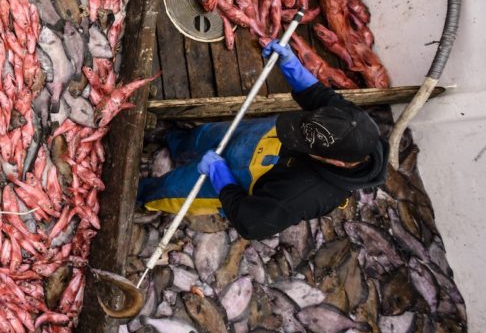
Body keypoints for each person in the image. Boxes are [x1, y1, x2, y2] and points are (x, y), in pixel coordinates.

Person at [136, 39, 387, 240]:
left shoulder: (307, 194)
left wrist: (220, 176)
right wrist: (292, 66)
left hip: (244, 178)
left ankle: (141, 195)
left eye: (306, 142)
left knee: (173, 190)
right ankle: (173, 139)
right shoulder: (354, 122)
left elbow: (251, 223)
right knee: (203, 135)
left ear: (339, 163)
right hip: (259, 136)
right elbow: (320, 96)